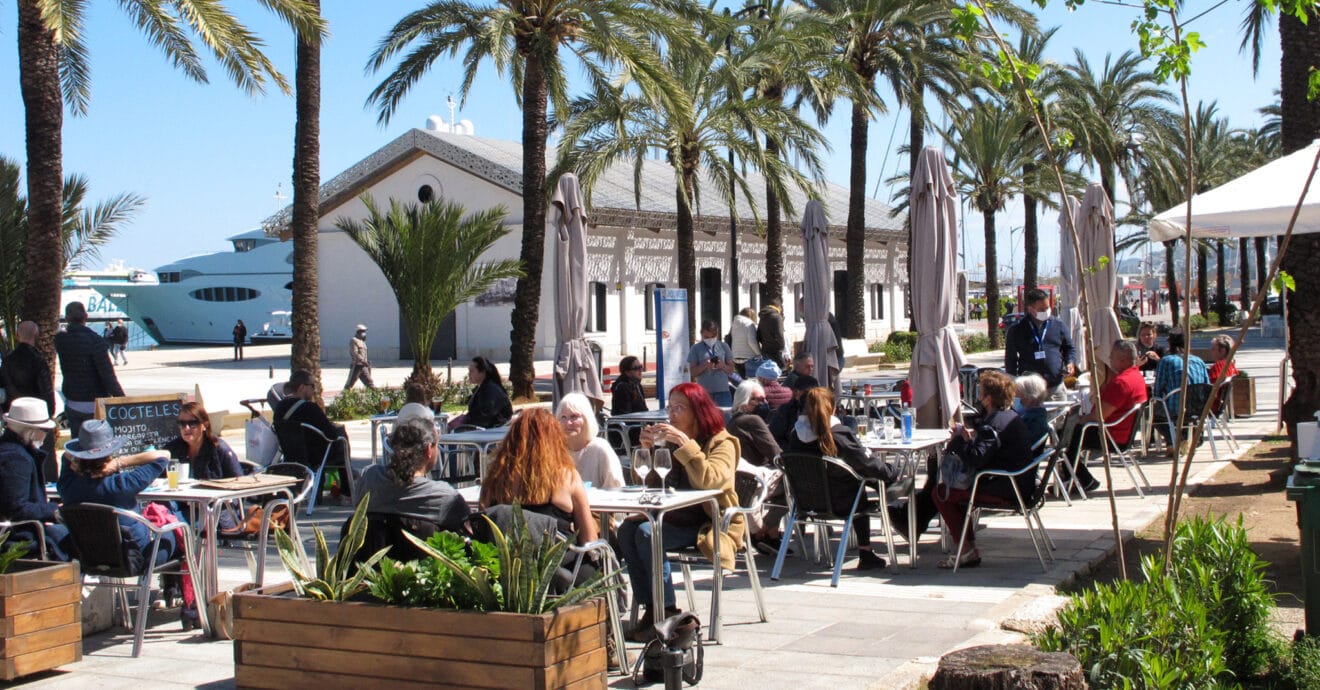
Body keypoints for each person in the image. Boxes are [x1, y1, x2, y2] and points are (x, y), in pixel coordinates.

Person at [619, 382, 741, 641]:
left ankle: (667, 612)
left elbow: (712, 482)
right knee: (626, 530)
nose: (671, 415)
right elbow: (654, 484)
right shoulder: (670, 443)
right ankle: (651, 607)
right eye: (669, 407)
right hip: (674, 515)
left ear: (697, 411)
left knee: (646, 533)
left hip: (708, 522)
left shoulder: (722, 442)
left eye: (679, 408)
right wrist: (646, 452)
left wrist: (686, 446)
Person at [930, 370, 1034, 569]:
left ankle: (966, 548)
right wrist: (970, 440)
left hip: (1007, 487)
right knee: (953, 492)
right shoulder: (1010, 416)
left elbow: (976, 459)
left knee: (941, 492)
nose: (978, 396)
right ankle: (967, 547)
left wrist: (959, 440)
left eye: (980, 392)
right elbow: (986, 453)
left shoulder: (994, 424)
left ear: (988, 398)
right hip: (1019, 482)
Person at [788, 387, 899, 571]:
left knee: (857, 477)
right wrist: (891, 472)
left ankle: (892, 500)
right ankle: (867, 550)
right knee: (863, 481)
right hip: (843, 503)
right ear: (832, 408)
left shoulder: (795, 435)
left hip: (805, 503)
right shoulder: (838, 434)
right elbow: (865, 463)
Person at [480, 408, 599, 543]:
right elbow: (589, 539)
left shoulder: (495, 478)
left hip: (504, 562)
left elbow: (483, 525)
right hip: (559, 563)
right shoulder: (566, 477)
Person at [356, 418, 471, 532]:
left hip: (372, 549)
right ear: (428, 450)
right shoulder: (444, 498)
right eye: (437, 445)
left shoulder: (368, 478)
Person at [1062, 340, 1147, 492]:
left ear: (1123, 359)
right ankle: (1075, 478)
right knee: (1071, 431)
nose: (1109, 358)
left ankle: (1080, 479)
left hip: (1111, 435)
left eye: (1112, 356)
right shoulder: (1136, 376)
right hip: (1120, 432)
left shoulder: (1122, 382)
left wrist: (1079, 420)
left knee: (1065, 435)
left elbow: (1098, 416)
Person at [0, 398, 71, 560]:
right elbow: (17, 508)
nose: (46, 435)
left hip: (17, 530)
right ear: (30, 431)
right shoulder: (16, 458)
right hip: (17, 537)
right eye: (45, 430)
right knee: (77, 539)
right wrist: (54, 511)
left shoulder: (9, 449)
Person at [274, 370, 352, 500]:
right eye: (312, 386)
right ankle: (346, 492)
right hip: (315, 457)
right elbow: (331, 434)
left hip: (290, 454)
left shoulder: (280, 407)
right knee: (341, 440)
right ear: (302, 387)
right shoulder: (310, 408)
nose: (314, 390)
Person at [54, 302, 124, 437]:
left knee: (77, 442)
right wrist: (122, 398)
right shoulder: (95, 340)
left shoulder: (61, 340)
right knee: (97, 444)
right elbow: (107, 375)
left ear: (67, 318)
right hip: (94, 402)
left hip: (72, 400)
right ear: (86, 317)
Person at [1, 321, 56, 474]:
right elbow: (46, 391)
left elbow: (2, 389)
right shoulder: (37, 360)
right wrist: (49, 414)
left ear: (17, 335)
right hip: (37, 419)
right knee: (44, 464)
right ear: (36, 335)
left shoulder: (8, 360)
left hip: (15, 419)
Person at [1004, 288, 1076, 398]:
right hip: (1030, 391)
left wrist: (1070, 362)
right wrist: (1014, 383)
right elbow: (1010, 359)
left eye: (1047, 307)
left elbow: (1069, 348)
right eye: (1041, 309)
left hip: (1055, 386)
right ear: (1031, 309)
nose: (1046, 311)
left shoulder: (1058, 325)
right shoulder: (1017, 330)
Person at [1152, 330, 1210, 450]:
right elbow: (1207, 386)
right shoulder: (1199, 361)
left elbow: (1157, 391)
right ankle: (1181, 440)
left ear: (1169, 344)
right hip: (1198, 408)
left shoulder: (1166, 361)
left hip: (1176, 409)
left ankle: (1174, 441)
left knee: (1153, 415)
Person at [557, 392, 624, 490]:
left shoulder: (600, 449)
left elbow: (616, 488)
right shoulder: (555, 450)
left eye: (574, 416)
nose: (568, 423)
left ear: (586, 418)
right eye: (563, 417)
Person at [164, 402, 242, 481]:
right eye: (182, 424)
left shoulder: (219, 449)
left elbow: (239, 481)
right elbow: (157, 479)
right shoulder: (172, 449)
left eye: (192, 423)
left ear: (205, 425)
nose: (186, 428)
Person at [451, 356, 512, 429]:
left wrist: (465, 423)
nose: (469, 374)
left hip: (492, 431)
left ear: (482, 372)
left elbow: (485, 417)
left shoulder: (491, 390)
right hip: (484, 429)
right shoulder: (481, 388)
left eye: (472, 371)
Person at [728, 380, 779, 466]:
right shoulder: (752, 420)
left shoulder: (732, 421)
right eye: (760, 399)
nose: (765, 402)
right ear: (745, 400)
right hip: (761, 471)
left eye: (765, 399)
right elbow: (775, 453)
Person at [687, 320, 736, 407]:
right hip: (704, 392)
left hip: (723, 392)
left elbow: (731, 370)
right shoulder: (695, 348)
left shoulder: (724, 346)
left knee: (725, 418)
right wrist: (705, 365)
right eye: (706, 337)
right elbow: (693, 373)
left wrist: (722, 366)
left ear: (716, 334)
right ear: (701, 334)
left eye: (712, 336)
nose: (709, 339)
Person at [768, 374, 818, 446]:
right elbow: (775, 436)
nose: (812, 396)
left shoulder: (822, 409)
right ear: (796, 392)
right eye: (808, 393)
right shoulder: (786, 410)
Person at [1014, 374, 1051, 446]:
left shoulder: (1033, 420)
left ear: (1029, 399)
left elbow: (1020, 445)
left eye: (1017, 396)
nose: (1014, 400)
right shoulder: (1038, 414)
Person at [1207, 334, 1239, 415]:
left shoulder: (1219, 366)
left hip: (1211, 405)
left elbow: (1211, 386)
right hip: (1221, 403)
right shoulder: (1230, 365)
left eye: (1213, 349)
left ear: (1222, 351)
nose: (1211, 351)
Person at [730, 307, 761, 378]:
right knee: (751, 383)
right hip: (748, 358)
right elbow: (752, 342)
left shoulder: (734, 325)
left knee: (743, 381)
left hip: (736, 357)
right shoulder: (750, 324)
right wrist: (759, 354)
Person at [757, 297, 786, 370]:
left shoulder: (763, 316)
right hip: (775, 349)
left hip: (765, 349)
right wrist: (782, 347)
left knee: (768, 371)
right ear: (779, 306)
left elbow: (758, 334)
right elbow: (779, 334)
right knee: (782, 369)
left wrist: (764, 343)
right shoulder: (776, 316)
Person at [345, 324, 375, 390]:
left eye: (365, 331)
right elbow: (355, 353)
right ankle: (343, 397)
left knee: (370, 383)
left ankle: (375, 397)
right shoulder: (354, 340)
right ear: (358, 331)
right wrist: (362, 361)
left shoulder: (362, 341)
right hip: (357, 366)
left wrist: (366, 363)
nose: (364, 333)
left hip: (364, 366)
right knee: (350, 384)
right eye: (363, 331)